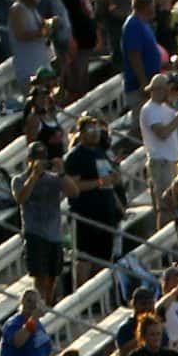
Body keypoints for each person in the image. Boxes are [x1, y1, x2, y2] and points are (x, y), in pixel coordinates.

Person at [63, 110, 119, 282]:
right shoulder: (76, 156)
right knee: (85, 259)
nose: (95, 134)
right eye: (90, 131)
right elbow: (73, 186)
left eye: (97, 130)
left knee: (104, 259)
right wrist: (100, 182)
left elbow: (109, 182)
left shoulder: (102, 152)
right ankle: (82, 296)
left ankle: (99, 296)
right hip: (86, 215)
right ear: (80, 134)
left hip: (106, 214)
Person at [15, 147, 66, 300]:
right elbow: (21, 198)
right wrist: (34, 176)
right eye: (36, 159)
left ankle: (47, 306)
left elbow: (74, 191)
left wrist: (62, 171)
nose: (40, 162)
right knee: (40, 277)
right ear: (28, 160)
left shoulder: (53, 179)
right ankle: (39, 307)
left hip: (54, 234)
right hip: (34, 233)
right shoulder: (19, 179)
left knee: (52, 277)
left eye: (43, 158)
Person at [137, 70, 178, 224]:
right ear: (156, 90)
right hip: (160, 162)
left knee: (174, 204)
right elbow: (162, 133)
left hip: (170, 161)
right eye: (165, 88)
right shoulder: (149, 109)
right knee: (165, 205)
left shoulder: (165, 108)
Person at [0, 289, 53, 356]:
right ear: (22, 302)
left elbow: (42, 353)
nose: (32, 305)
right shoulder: (14, 323)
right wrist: (33, 319)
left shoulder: (39, 326)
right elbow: (17, 341)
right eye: (29, 301)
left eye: (36, 301)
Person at [5, 0, 50, 90]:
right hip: (29, 69)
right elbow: (21, 34)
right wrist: (43, 32)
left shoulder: (33, 10)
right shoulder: (18, 10)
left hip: (41, 67)